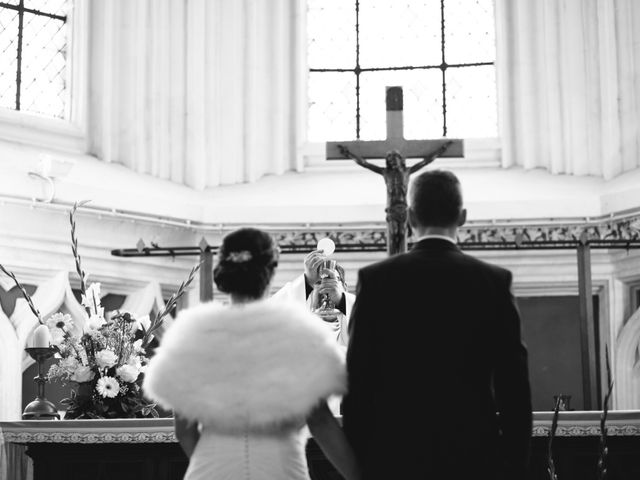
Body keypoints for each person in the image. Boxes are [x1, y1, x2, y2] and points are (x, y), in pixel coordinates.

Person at [342, 170, 532, 480]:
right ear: (463, 217)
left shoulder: (376, 281)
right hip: (474, 459)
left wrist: (365, 463)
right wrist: (513, 467)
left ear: (410, 218)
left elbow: (357, 382)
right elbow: (514, 389)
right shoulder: (493, 282)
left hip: (394, 459)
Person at [143, 228, 360, 480]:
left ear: (222, 272)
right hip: (281, 468)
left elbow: (185, 432)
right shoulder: (299, 332)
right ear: (271, 270)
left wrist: (218, 460)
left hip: (211, 469)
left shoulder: (192, 333)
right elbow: (321, 423)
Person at [273, 249, 355, 347]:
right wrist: (307, 280)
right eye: (319, 282)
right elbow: (270, 316)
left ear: (345, 287)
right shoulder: (297, 325)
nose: (326, 287)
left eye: (333, 280)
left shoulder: (359, 315)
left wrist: (341, 300)